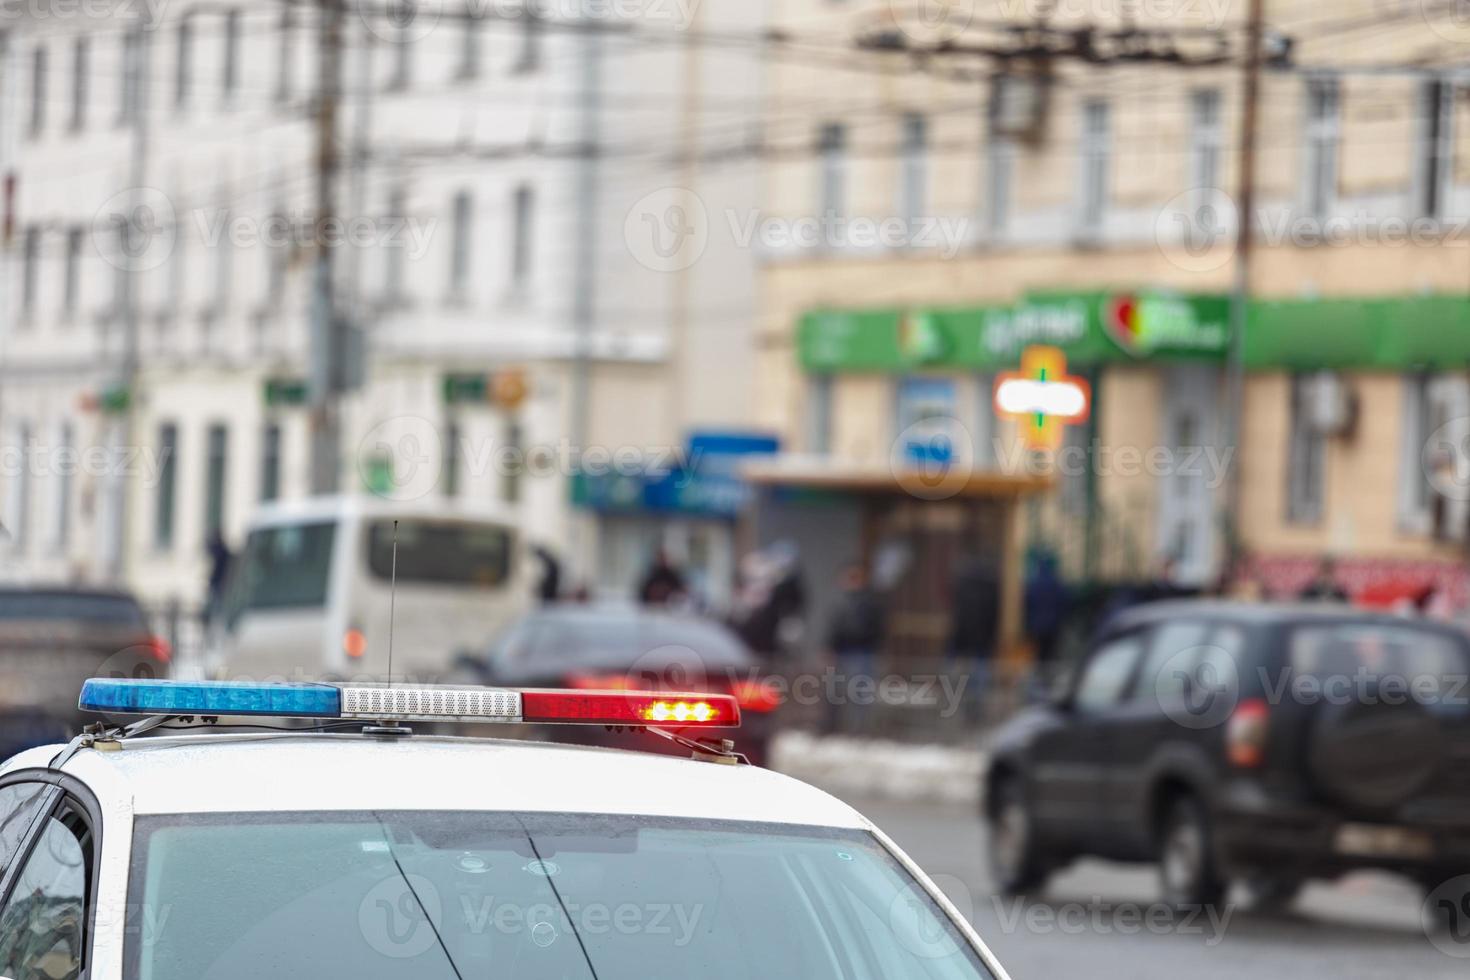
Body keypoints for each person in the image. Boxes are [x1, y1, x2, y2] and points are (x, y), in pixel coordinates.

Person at [826, 562, 885, 735]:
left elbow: (874, 627)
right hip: (842, 651)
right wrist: (830, 646)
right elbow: (834, 627)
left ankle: (859, 729)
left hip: (862, 652)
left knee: (860, 693)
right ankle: (836, 729)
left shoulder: (869, 601)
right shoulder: (840, 600)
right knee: (835, 692)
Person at [948, 553, 1000, 725]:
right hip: (982, 643)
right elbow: (994, 618)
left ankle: (961, 710)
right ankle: (976, 710)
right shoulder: (991, 587)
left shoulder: (963, 588)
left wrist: (955, 645)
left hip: (964, 643)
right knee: (979, 680)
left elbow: (959, 618)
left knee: (961, 678)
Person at [205, 531, 233, 624]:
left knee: (217, 607)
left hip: (219, 583)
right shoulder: (223, 550)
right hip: (219, 583)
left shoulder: (221, 551)